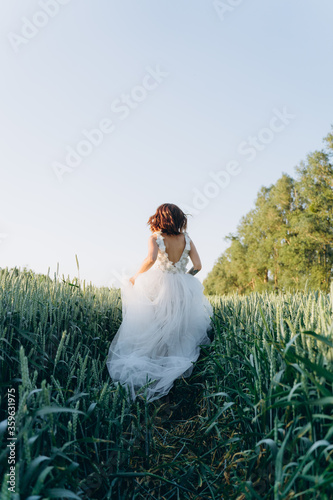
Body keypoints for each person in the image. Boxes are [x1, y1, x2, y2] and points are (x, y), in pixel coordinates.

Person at [106, 203, 213, 402]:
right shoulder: (187, 238)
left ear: (159, 218)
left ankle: (153, 378)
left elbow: (150, 259)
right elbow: (198, 266)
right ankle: (174, 382)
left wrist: (135, 277)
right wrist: (185, 278)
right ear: (179, 218)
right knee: (178, 330)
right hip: (182, 288)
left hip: (160, 286)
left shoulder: (155, 238)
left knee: (155, 328)